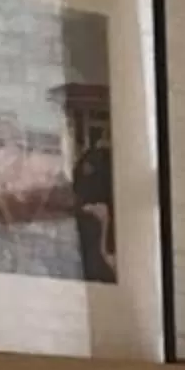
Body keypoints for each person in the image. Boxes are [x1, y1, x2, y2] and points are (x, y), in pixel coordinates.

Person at [72, 120, 116, 282]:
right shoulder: (111, 159)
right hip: (103, 217)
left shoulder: (85, 157)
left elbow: (76, 185)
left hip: (85, 215)